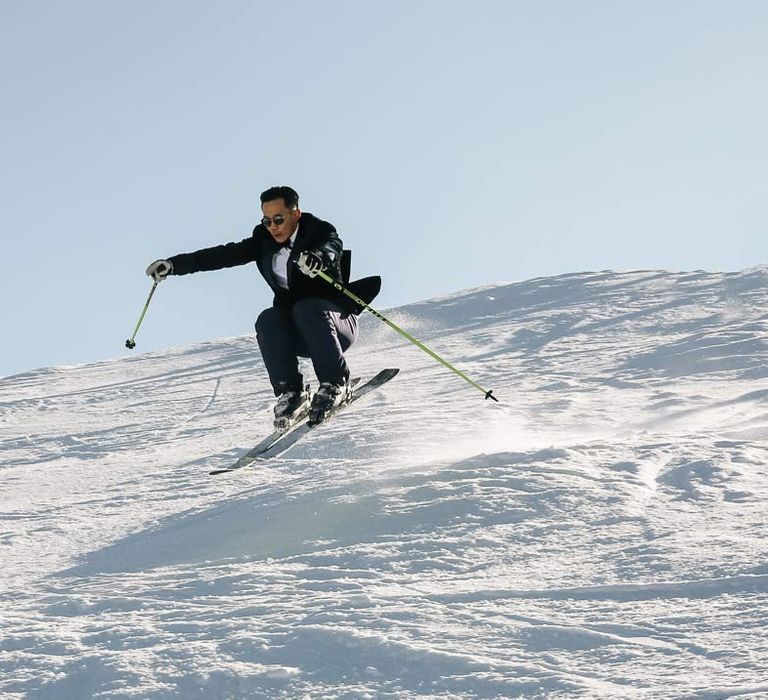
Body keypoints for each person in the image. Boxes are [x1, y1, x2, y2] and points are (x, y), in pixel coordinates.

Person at [146, 185, 380, 426]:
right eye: (267, 221)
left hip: (337, 323)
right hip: (301, 335)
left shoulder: (318, 230)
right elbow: (222, 255)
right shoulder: (263, 240)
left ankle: (335, 382)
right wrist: (174, 265)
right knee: (267, 319)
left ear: (295, 214)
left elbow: (332, 246)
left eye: (278, 219)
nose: (273, 227)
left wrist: (318, 258)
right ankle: (291, 393)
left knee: (306, 307)